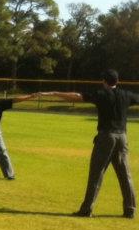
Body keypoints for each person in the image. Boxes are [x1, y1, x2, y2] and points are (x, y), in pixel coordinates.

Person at [41, 70, 139, 218]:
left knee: (96, 174)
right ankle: (130, 210)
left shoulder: (101, 93)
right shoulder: (126, 95)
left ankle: (86, 210)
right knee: (125, 175)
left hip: (106, 136)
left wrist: (55, 93)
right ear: (117, 81)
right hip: (122, 137)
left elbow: (78, 96)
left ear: (104, 81)